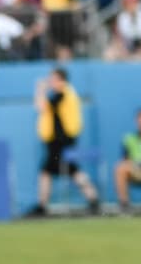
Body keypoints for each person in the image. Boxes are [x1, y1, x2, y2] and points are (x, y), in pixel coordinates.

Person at [27, 67, 99, 217]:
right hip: (59, 142)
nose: (50, 82)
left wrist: (40, 89)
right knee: (70, 170)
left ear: (61, 80)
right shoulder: (64, 94)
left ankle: (42, 206)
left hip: (61, 142)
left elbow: (40, 106)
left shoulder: (62, 94)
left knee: (49, 171)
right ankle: (92, 198)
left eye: (53, 79)